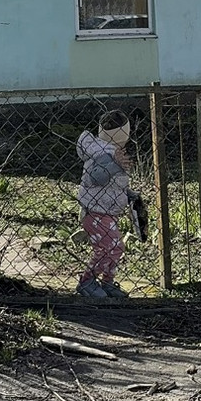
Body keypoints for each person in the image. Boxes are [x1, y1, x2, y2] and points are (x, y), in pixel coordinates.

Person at [76, 110, 132, 300]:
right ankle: (87, 281)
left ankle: (107, 282)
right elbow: (97, 177)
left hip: (106, 210)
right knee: (109, 247)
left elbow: (115, 184)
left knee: (115, 247)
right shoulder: (104, 153)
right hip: (95, 211)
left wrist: (128, 196)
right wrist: (116, 164)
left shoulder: (109, 151)